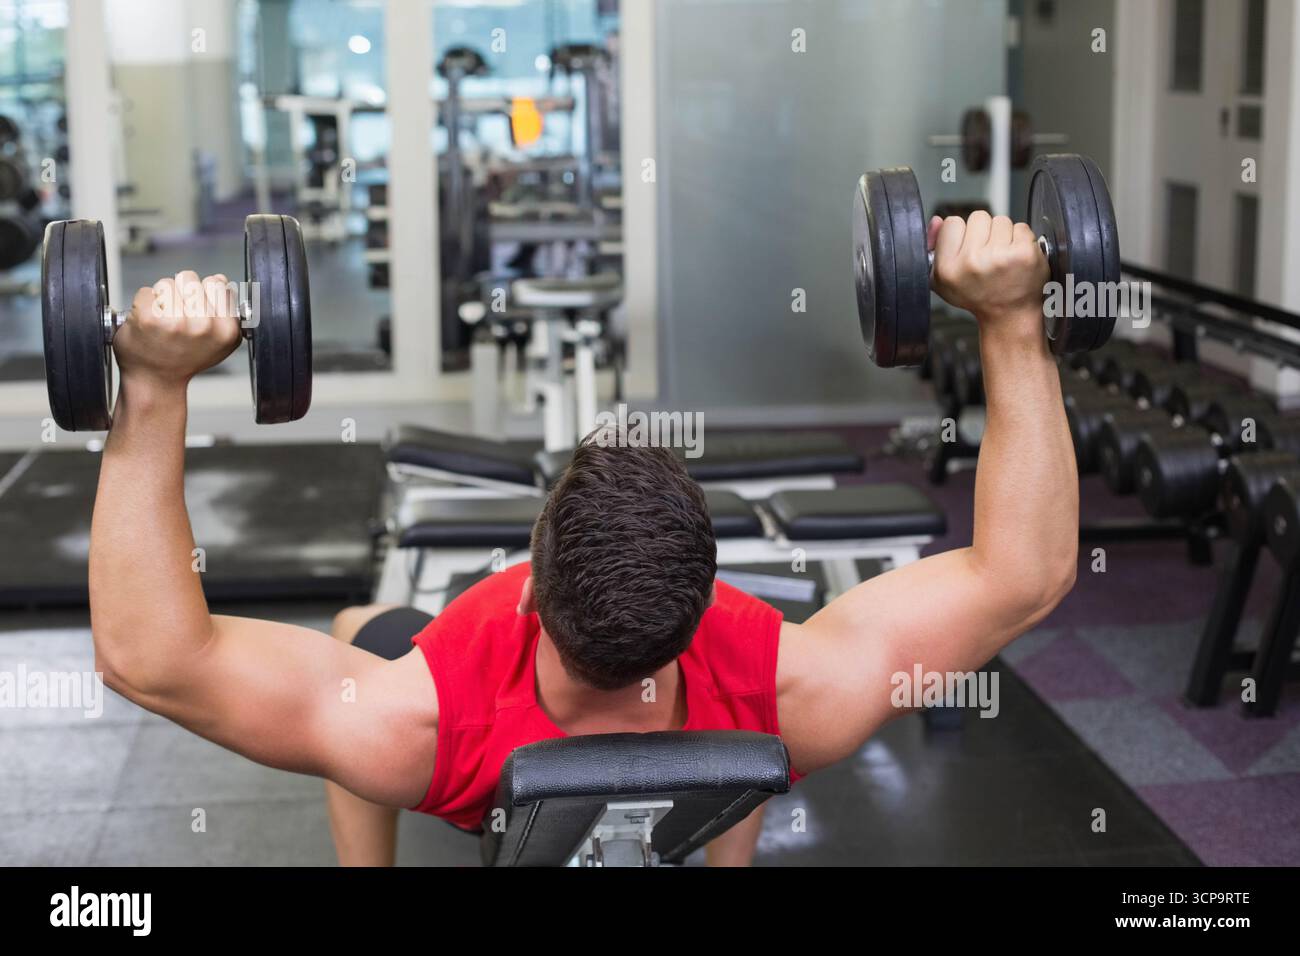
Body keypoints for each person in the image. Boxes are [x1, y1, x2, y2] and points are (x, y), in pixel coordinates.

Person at [90, 211, 1075, 866]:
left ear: (522, 586)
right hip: (725, 722)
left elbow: (154, 657)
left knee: (364, 636)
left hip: (457, 728)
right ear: (712, 597)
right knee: (751, 740)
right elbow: (1021, 574)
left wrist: (152, 385)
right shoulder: (786, 681)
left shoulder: (409, 722)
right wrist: (1011, 316)